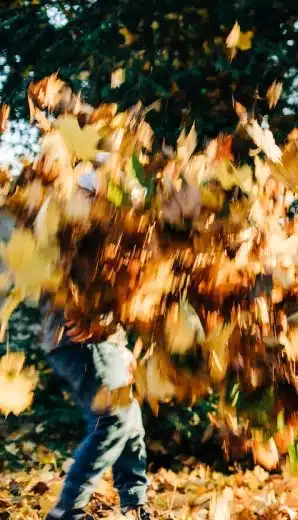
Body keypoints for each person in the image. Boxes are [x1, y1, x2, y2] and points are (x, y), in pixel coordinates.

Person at [41, 169, 152, 520]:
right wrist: (99, 325)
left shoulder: (112, 237)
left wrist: (120, 341)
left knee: (130, 422)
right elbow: (73, 290)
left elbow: (118, 295)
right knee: (113, 419)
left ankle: (135, 506)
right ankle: (67, 511)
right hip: (79, 340)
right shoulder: (73, 230)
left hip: (105, 342)